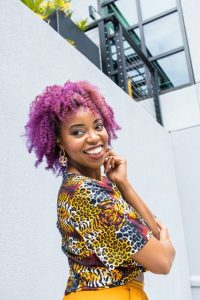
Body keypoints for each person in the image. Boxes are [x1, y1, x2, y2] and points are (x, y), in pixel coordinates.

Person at [25, 80, 175, 300]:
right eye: (78, 132)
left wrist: (124, 184)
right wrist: (168, 246)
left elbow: (153, 233)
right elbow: (162, 262)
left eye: (98, 126)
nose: (94, 137)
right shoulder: (86, 194)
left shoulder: (101, 186)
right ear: (60, 142)